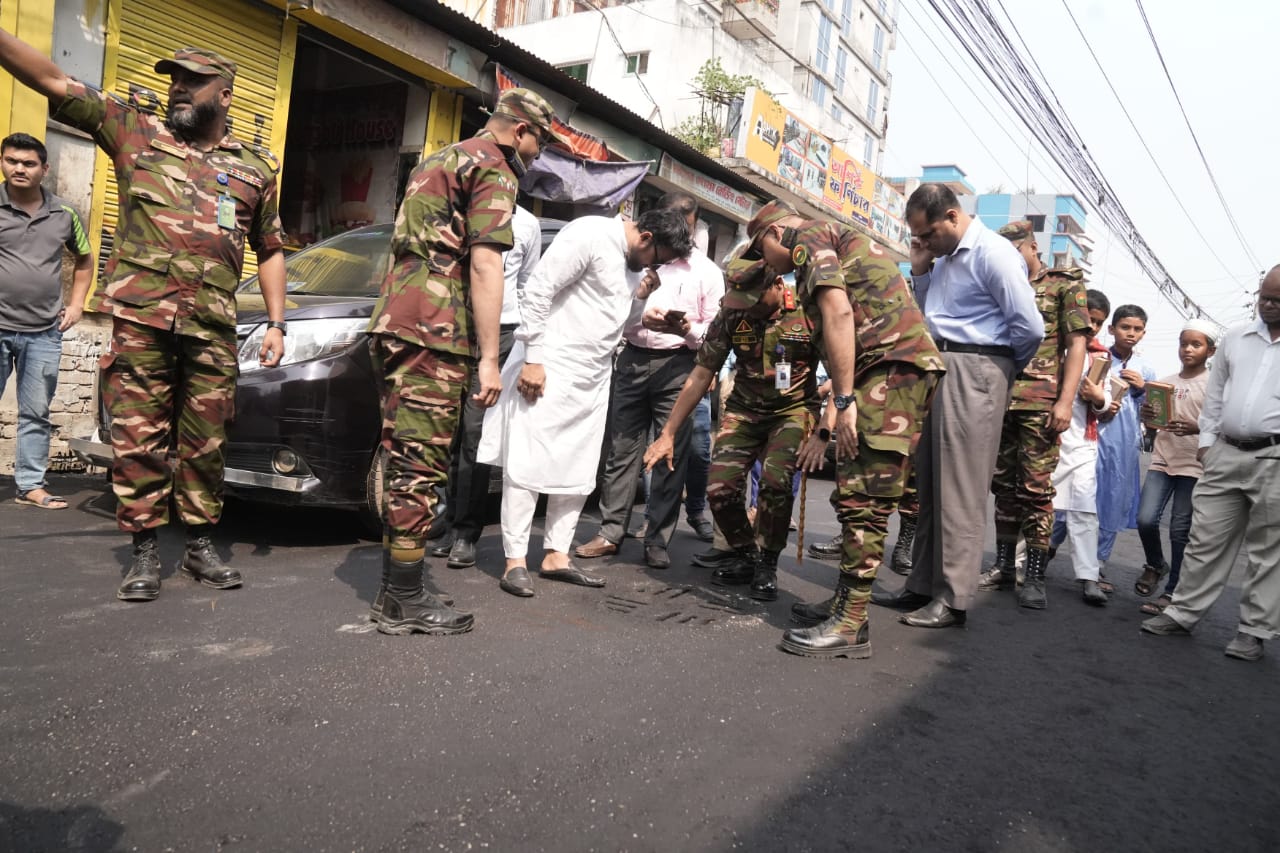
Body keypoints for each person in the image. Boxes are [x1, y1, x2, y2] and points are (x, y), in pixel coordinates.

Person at [0, 35, 291, 601]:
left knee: (207, 439)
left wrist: (276, 324)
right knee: (139, 437)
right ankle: (145, 551)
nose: (177, 87)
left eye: (192, 79)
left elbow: (272, 247)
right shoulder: (135, 131)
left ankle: (201, 545)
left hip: (211, 327)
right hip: (142, 320)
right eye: (173, 77)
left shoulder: (256, 170)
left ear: (225, 94)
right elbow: (52, 80)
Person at [368, 87, 564, 635]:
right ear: (521, 130)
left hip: (399, 319)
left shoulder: (442, 157)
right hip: (433, 330)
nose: (537, 154)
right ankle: (403, 600)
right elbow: (485, 266)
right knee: (420, 464)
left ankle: (397, 586)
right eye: (539, 141)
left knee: (405, 453)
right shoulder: (495, 169)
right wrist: (489, 359)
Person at [711, 201, 943, 658]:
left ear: (775, 234)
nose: (769, 266)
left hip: (891, 369)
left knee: (865, 498)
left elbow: (837, 314)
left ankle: (852, 623)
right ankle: (845, 604)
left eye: (764, 253)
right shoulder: (830, 239)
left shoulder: (809, 238)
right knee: (857, 491)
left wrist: (842, 399)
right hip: (888, 367)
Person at [478, 210, 692, 597]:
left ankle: (556, 555)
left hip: (593, 377)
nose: (655, 266)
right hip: (549, 367)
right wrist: (534, 358)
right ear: (645, 236)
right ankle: (514, 560)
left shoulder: (632, 264)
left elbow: (612, 317)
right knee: (528, 463)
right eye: (657, 258)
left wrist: (644, 310)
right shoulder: (588, 234)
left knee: (576, 469)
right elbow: (539, 290)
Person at [874, 183, 1044, 629]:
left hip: (977, 367)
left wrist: (999, 371)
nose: (923, 243)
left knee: (962, 491)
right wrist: (921, 269)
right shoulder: (944, 257)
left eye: (927, 234)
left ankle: (953, 598)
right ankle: (923, 586)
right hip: (941, 361)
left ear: (952, 216)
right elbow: (932, 315)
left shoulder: (993, 253)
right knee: (931, 485)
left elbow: (1029, 328)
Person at [643, 262, 820, 602]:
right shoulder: (732, 311)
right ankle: (745, 553)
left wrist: (831, 420)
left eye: (755, 298)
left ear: (777, 284)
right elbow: (701, 372)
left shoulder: (809, 308)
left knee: (775, 483)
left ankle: (767, 562)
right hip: (745, 409)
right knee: (719, 488)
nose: (747, 306)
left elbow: (841, 359)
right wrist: (668, 432)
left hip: (793, 410)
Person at [574, 193, 723, 569]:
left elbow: (714, 336)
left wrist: (685, 326)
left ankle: (657, 539)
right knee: (620, 450)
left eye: (680, 223)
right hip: (632, 360)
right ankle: (610, 532)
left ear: (691, 223)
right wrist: (640, 315)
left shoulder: (706, 272)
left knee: (669, 455)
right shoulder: (634, 263)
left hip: (680, 368)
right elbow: (612, 314)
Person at [1141, 269, 1280, 661]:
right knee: (1204, 540)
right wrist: (1207, 445)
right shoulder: (1236, 338)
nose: (1268, 305)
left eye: (1277, 301)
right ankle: (1182, 613)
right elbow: (1215, 397)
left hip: (1275, 457)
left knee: (1267, 550)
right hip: (1224, 453)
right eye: (1264, 297)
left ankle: (1252, 631)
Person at [977, 220, 1089, 609]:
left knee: (1036, 490)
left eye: (1014, 253)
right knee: (1002, 487)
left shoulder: (1064, 285)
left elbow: (1077, 346)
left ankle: (1036, 575)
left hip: (1040, 402)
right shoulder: (1001, 283)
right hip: (999, 396)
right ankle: (1004, 567)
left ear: (1032, 247)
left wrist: (1064, 401)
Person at [430, 204, 541, 570]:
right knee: (447, 431)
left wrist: (528, 347)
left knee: (476, 433)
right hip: (455, 328)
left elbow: (528, 284)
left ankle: (465, 532)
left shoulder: (527, 224)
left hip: (503, 335)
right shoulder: (460, 212)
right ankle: (443, 522)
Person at [0, 132, 94, 511]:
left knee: (36, 412)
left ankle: (30, 485)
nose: (18, 168)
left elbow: (85, 259)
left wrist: (77, 305)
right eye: (11, 160)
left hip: (43, 332)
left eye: (28, 163)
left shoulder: (64, 213)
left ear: (44, 169)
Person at [1133, 319, 1217, 614]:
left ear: (1211, 350)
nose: (1188, 349)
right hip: (1161, 460)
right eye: (1184, 343)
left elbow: (1218, 425)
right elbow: (1154, 423)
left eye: (1196, 344)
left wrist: (1197, 428)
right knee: (1144, 519)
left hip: (1194, 465)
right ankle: (1156, 564)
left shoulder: (1214, 385)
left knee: (1180, 530)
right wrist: (1147, 415)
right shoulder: (1165, 382)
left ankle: (1171, 594)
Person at [1049, 290, 1113, 606]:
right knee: (1034, 507)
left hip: (1083, 445)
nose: (1094, 329)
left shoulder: (1100, 357)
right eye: (1090, 321)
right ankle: (1015, 567)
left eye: (1099, 324)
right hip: (1048, 440)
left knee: (1084, 513)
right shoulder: (1051, 347)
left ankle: (1089, 578)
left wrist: (1098, 396)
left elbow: (1107, 402)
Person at [1094, 304, 1156, 587]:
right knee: (1074, 499)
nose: (1131, 334)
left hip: (1123, 446)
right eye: (1125, 327)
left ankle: (1097, 565)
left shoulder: (1145, 369)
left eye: (1137, 329)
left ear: (1143, 333)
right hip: (1092, 438)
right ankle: (1045, 553)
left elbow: (1155, 413)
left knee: (1113, 503)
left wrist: (1143, 389)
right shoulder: (1098, 358)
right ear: (1112, 329)